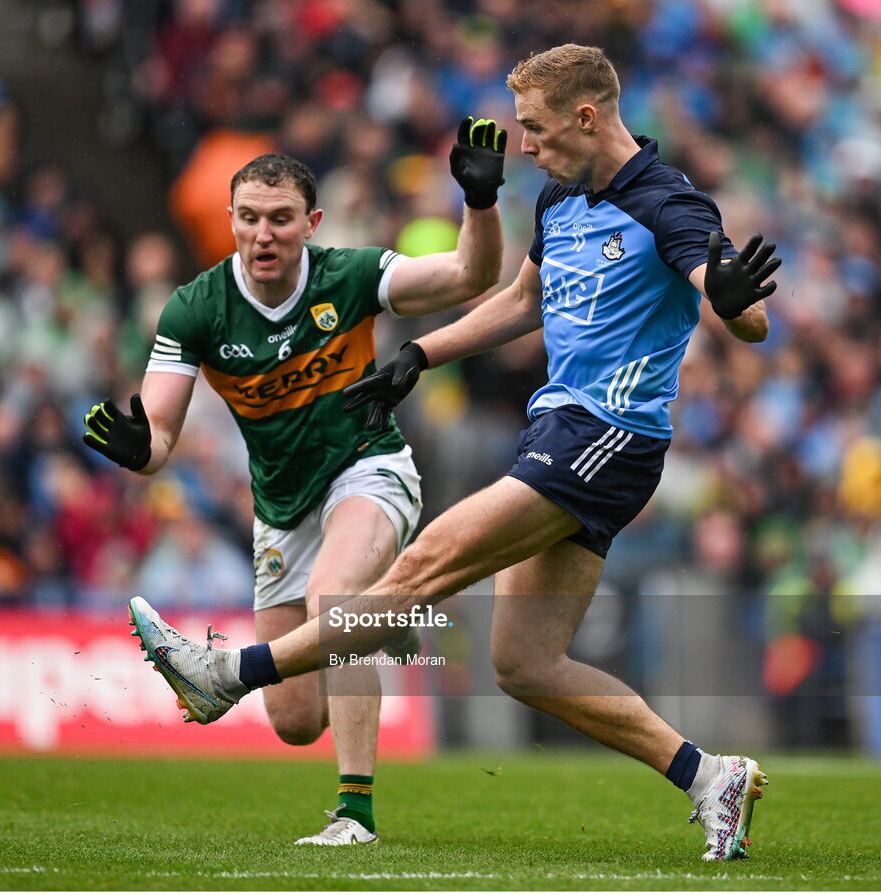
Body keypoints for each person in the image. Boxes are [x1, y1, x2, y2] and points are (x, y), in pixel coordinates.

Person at [125, 44, 782, 861]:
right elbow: (518, 301)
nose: (527, 146)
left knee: (421, 566)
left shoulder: (669, 205)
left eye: (536, 129)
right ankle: (707, 775)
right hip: (558, 432)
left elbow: (741, 314)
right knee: (525, 663)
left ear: (587, 116)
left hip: (608, 437)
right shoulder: (559, 197)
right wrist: (421, 356)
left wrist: (735, 305)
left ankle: (228, 673)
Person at [85, 121, 507, 845]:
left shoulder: (350, 275)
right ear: (231, 222)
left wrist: (480, 202)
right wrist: (139, 447)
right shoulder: (196, 308)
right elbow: (158, 437)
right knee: (294, 720)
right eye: (248, 218)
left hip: (368, 469)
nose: (263, 233)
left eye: (281, 219)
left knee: (334, 604)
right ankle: (384, 616)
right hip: (282, 510)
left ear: (311, 223)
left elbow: (471, 277)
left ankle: (355, 814)